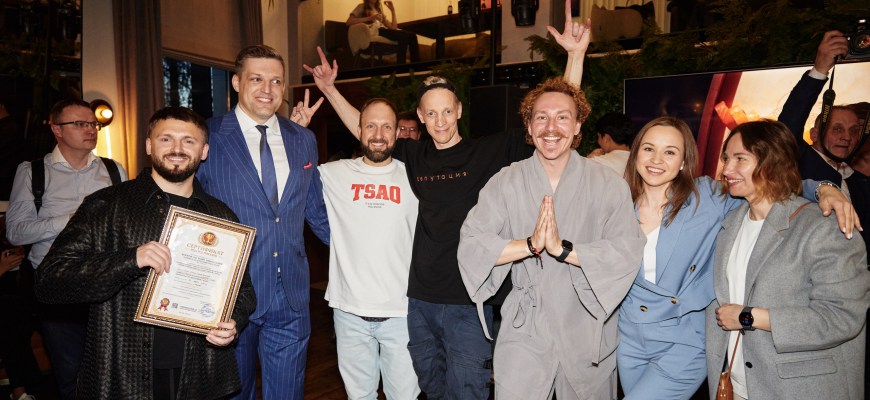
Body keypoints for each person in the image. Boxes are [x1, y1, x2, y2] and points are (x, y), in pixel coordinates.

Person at [306, 1, 590, 397]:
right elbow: (368, 129)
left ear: (458, 110)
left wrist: (575, 57)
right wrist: (329, 90)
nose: (440, 121)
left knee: (468, 389)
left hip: (469, 301)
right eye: (431, 114)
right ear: (420, 117)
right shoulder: (412, 154)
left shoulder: (488, 151)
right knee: (431, 389)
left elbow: (553, 120)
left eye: (446, 111)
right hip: (419, 301)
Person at [616, 117, 856, 400]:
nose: (657, 159)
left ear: (683, 162)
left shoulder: (707, 197)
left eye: (670, 151)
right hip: (629, 338)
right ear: (635, 153)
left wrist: (823, 188)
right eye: (648, 148)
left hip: (683, 339)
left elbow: (772, 185)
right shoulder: (617, 201)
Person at [34, 106, 256, 399]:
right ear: (149, 146)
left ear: (204, 151)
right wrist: (130, 260)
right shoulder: (106, 205)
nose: (177, 148)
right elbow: (49, 281)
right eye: (166, 139)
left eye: (189, 141)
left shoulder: (221, 216)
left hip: (199, 373)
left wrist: (233, 323)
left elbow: (243, 291)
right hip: (123, 374)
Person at [456, 77, 645, 399]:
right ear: (529, 127)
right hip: (526, 322)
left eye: (562, 117)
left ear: (578, 125)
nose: (551, 127)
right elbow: (472, 243)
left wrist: (563, 250)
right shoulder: (506, 181)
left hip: (586, 320)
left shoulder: (608, 183)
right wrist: (529, 245)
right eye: (541, 117)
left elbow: (626, 250)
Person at [196, 44, 330, 400]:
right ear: (237, 82)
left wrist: (362, 256)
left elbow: (316, 211)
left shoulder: (303, 139)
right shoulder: (207, 136)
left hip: (292, 295)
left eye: (276, 81)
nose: (267, 89)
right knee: (233, 394)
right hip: (230, 296)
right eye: (257, 79)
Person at [706, 120, 868, 400]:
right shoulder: (730, 222)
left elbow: (842, 317)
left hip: (798, 389)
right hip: (738, 386)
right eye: (726, 158)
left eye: (740, 159)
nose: (727, 169)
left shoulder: (823, 227)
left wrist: (748, 316)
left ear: (773, 162)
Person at [5, 98, 128, 400]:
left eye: (93, 124)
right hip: (55, 284)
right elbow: (16, 231)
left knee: (112, 370)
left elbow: (125, 227)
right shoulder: (33, 172)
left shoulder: (114, 170)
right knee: (71, 371)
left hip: (104, 283)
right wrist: (71, 220)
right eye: (80, 124)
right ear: (57, 130)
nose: (91, 129)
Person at [320, 98, 420, 399]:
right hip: (348, 313)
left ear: (397, 132)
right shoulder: (332, 174)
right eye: (371, 126)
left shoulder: (416, 177)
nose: (378, 134)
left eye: (387, 127)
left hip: (402, 313)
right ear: (359, 130)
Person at [778, 30, 868, 254]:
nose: (846, 137)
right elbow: (788, 123)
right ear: (814, 134)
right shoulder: (798, 162)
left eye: (854, 131)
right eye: (837, 129)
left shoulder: (861, 182)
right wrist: (819, 70)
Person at [1, 213, 40, 400]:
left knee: (18, 321)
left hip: (24, 305)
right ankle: (19, 391)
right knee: (10, 325)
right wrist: (1, 268)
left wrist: (26, 259)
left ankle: (23, 388)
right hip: (6, 308)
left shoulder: (26, 246)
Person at [346, 0, 420, 64]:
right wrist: (369, 18)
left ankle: (417, 67)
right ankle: (401, 68)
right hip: (375, 31)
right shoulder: (361, 6)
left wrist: (392, 10)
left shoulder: (378, 10)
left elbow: (393, 27)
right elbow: (349, 22)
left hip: (382, 30)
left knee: (412, 36)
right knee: (403, 36)